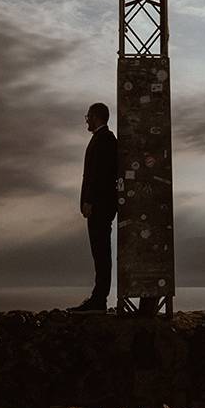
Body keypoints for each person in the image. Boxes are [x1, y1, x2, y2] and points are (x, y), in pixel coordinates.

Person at [68, 102, 117, 312]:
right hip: (101, 205)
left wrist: (89, 201)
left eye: (88, 116)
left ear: (96, 117)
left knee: (101, 252)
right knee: (100, 252)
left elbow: (98, 176)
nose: (86, 120)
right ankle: (99, 298)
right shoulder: (104, 139)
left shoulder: (104, 140)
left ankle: (99, 300)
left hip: (100, 206)